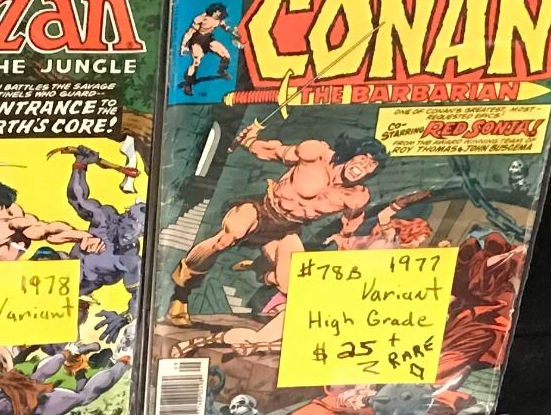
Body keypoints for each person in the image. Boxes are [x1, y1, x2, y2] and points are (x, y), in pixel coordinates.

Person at [166, 125, 388, 324]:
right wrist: (250, 141)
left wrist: (344, 238)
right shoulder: (316, 153)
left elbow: (352, 220)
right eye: (362, 158)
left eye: (371, 165)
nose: (363, 166)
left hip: (286, 230)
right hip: (262, 210)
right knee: (226, 238)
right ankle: (181, 296)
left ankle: (261, 269)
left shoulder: (357, 196)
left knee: (291, 283)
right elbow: (275, 152)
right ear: (351, 154)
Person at [179, 1, 233, 90]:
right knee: (196, 62)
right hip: (196, 42)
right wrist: (183, 46)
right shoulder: (201, 19)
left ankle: (222, 70)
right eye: (221, 12)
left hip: (208, 40)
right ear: (216, 11)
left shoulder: (219, 20)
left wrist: (234, 33)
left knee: (226, 55)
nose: (222, 15)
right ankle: (188, 83)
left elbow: (225, 27)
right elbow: (189, 33)